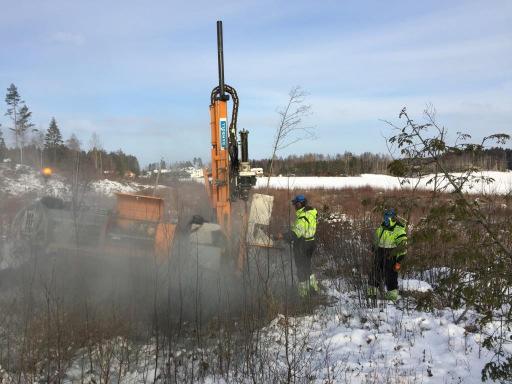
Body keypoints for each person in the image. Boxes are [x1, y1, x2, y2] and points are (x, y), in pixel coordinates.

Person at [368, 208, 407, 302]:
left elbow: (402, 248)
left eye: (387, 218)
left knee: (391, 276)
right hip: (379, 254)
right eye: (384, 217)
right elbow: (376, 241)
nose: (385, 220)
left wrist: (398, 262)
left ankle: (392, 297)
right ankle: (371, 295)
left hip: (391, 256)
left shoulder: (399, 230)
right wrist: (373, 248)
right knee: (374, 274)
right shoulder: (381, 228)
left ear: (393, 218)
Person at [288, 194, 319, 297]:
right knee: (307, 267)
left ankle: (303, 295)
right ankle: (314, 290)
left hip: (303, 245)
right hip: (311, 242)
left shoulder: (302, 217)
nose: (294, 207)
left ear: (299, 204)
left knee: (301, 269)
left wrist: (282, 236)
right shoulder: (310, 213)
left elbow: (296, 233)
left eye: (295, 204)